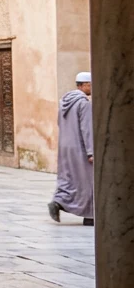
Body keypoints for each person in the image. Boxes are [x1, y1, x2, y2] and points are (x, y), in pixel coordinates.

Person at [49, 72, 94, 225]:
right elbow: (87, 129)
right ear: (85, 85)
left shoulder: (64, 102)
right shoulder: (84, 103)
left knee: (68, 178)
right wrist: (91, 152)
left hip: (65, 147)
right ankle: (90, 216)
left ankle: (59, 201)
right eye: (91, 85)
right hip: (80, 148)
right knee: (88, 182)